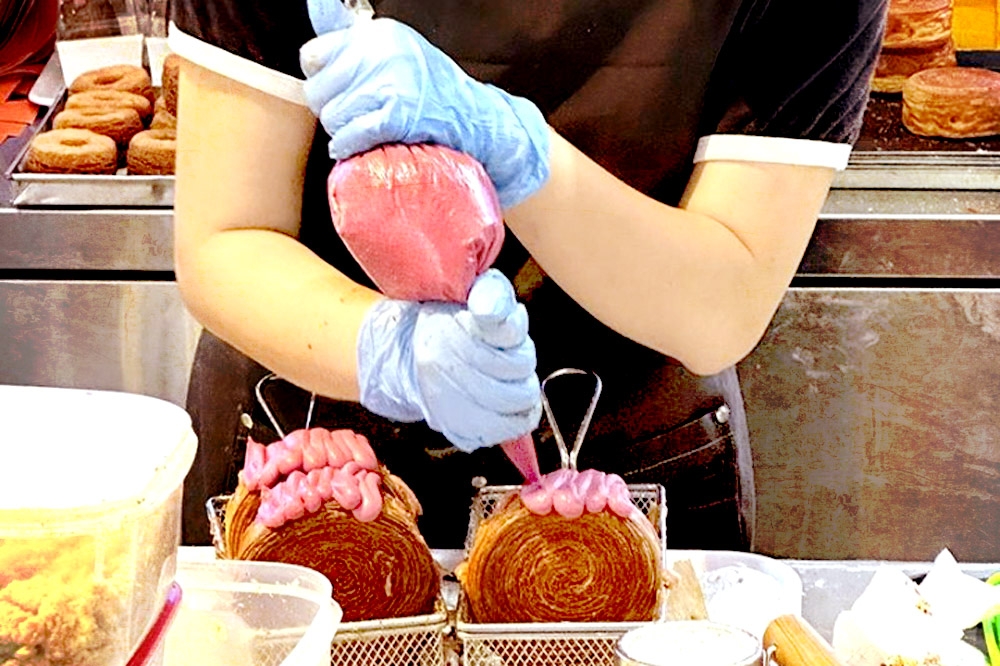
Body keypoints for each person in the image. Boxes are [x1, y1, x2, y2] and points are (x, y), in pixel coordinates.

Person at [168, 0, 888, 549]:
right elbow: (230, 236)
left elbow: (723, 301)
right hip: (314, 461)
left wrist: (512, 151)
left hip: (628, 466)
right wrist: (389, 352)